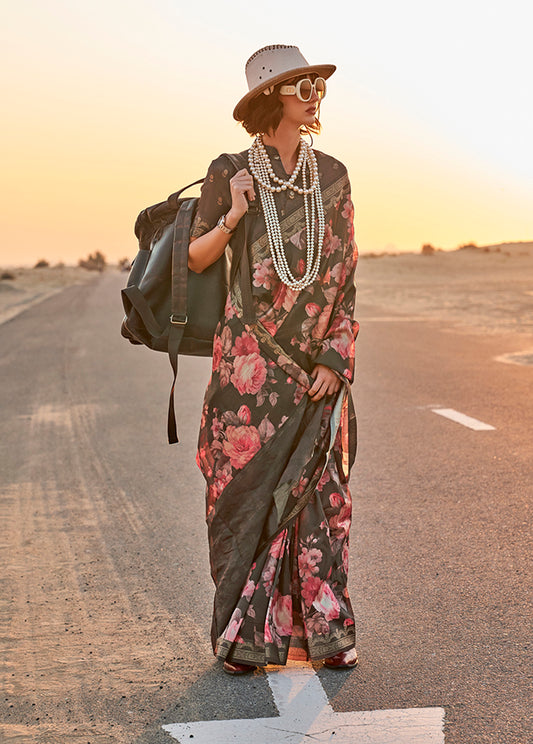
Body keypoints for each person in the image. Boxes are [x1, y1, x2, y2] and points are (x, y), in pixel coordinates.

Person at [188, 44, 359, 675]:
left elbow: (344, 276)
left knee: (322, 499)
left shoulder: (333, 175)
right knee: (246, 499)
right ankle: (243, 639)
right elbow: (198, 259)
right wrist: (234, 212)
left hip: (313, 367)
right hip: (248, 370)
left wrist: (336, 358)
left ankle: (329, 632)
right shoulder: (230, 168)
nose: (314, 92)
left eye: (316, 82)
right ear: (271, 97)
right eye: (300, 84)